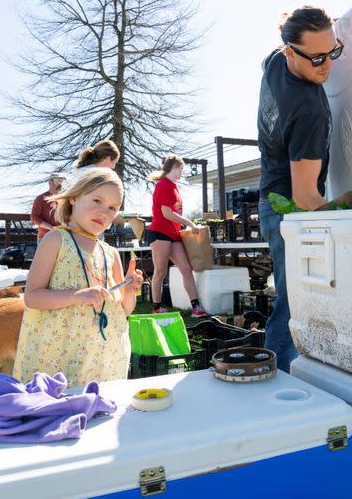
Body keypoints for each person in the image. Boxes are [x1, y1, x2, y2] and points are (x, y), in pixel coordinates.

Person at [256, 5, 344, 372]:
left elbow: (269, 61)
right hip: (287, 210)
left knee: (292, 299)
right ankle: (275, 379)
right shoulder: (309, 111)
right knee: (295, 305)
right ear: (291, 51)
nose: (328, 66)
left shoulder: (275, 61)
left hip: (270, 201)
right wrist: (347, 220)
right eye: (317, 58)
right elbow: (306, 197)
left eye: (334, 51)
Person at [13, 168, 144, 386]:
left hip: (103, 361)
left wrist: (129, 291)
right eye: (97, 200)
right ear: (74, 197)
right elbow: (32, 297)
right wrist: (78, 295)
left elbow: (123, 310)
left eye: (112, 207)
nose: (104, 211)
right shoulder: (56, 240)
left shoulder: (110, 253)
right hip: (58, 359)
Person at [145, 155, 208, 317]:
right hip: (159, 233)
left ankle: (196, 307)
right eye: (181, 168)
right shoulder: (163, 185)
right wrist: (190, 223)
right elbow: (167, 213)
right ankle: (157, 307)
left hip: (173, 235)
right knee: (160, 271)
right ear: (174, 166)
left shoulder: (173, 186)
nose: (182, 172)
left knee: (186, 269)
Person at [31, 173, 66, 243]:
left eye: (62, 181)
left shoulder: (62, 199)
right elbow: (34, 217)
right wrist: (51, 228)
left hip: (61, 237)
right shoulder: (41, 198)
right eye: (58, 181)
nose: (60, 184)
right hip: (45, 237)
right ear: (50, 182)